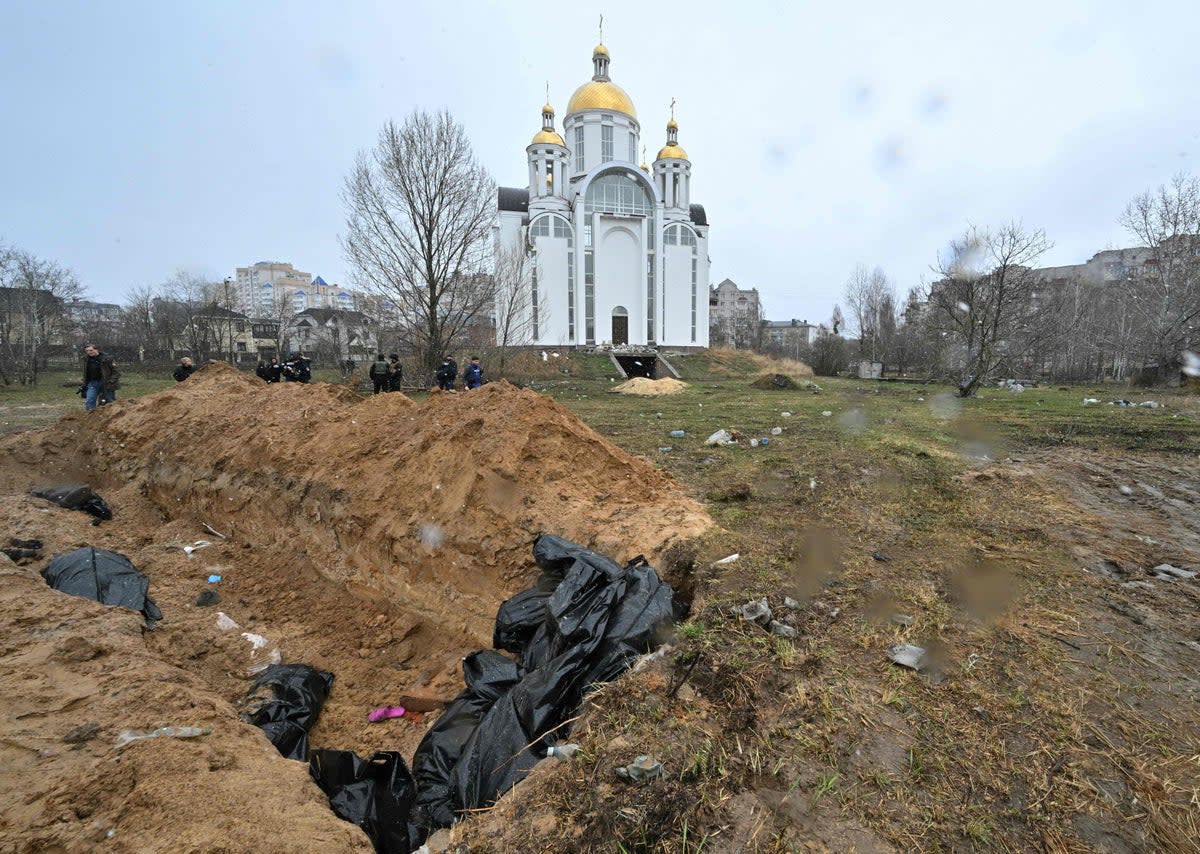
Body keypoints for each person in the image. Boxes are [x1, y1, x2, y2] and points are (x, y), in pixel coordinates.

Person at [79, 343, 120, 412]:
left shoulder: (107, 358)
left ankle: (114, 415)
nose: (89, 352)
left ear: (96, 350)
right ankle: (90, 415)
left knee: (109, 401)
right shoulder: (86, 359)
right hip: (92, 383)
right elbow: (85, 372)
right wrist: (84, 383)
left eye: (91, 350)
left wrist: (111, 381)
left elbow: (117, 372)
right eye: (87, 351)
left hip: (106, 383)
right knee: (90, 399)